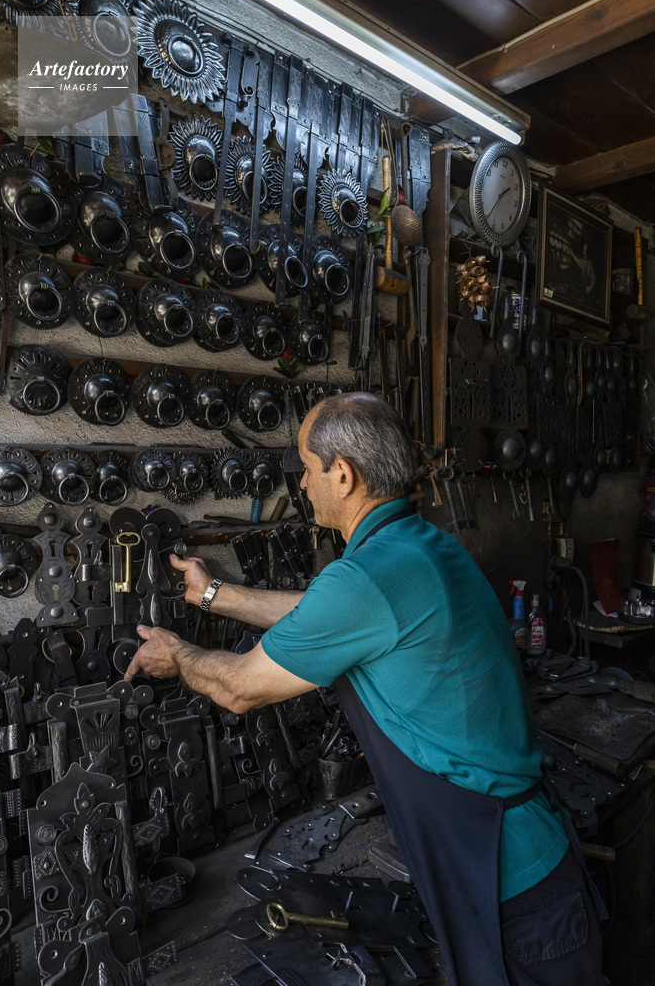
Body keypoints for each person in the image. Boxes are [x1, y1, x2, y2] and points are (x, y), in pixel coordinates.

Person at [125, 392, 604, 986]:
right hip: (521, 854)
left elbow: (239, 689)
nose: (303, 483)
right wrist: (212, 595)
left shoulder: (368, 578)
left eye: (307, 468)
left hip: (509, 883)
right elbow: (324, 615)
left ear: (344, 475)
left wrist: (179, 655)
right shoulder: (421, 547)